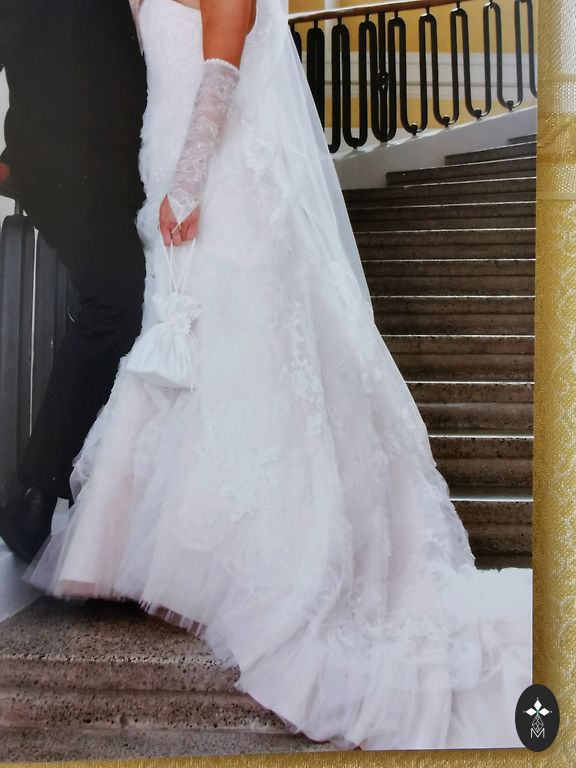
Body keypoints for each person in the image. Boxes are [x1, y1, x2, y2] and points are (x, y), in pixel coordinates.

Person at [25, 0, 532, 752]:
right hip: (164, 161)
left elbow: (221, 58)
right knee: (183, 347)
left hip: (220, 177)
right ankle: (166, 551)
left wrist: (190, 179)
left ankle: (270, 561)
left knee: (240, 344)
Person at [0, 0, 148, 563]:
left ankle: (116, 499)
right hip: (60, 177)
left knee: (145, 310)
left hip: (133, 172)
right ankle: (34, 492)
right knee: (116, 302)